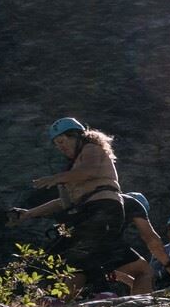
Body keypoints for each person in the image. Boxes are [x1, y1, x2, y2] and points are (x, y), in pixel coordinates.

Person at [9, 117, 125, 292]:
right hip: (87, 210)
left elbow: (88, 171)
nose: (60, 147)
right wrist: (29, 213)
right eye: (57, 144)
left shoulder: (91, 148)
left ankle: (102, 292)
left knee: (82, 251)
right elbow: (64, 203)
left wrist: (57, 178)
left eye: (62, 141)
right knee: (65, 253)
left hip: (103, 207)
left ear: (76, 136)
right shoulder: (71, 171)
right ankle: (57, 295)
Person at [104, 191, 170, 295]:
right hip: (104, 245)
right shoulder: (132, 206)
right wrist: (169, 265)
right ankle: (139, 304)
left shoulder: (108, 202)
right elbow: (150, 238)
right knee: (145, 271)